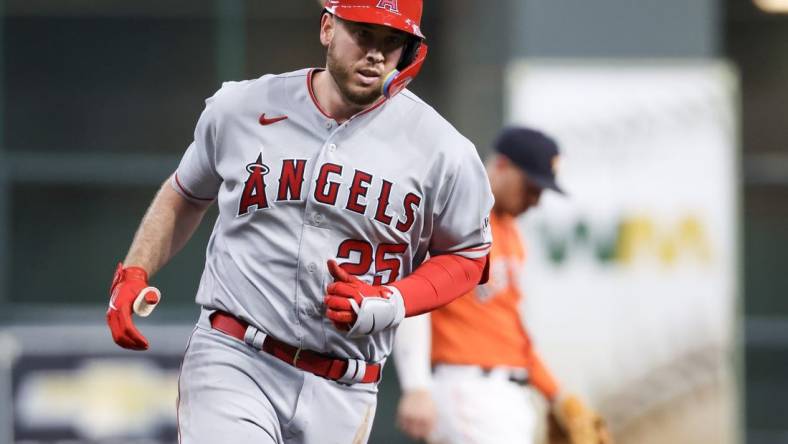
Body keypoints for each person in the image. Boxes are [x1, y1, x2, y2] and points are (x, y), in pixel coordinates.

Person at [104, 1, 494, 443]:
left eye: (392, 42)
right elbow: (185, 193)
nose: (376, 54)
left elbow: (468, 255)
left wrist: (394, 300)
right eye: (363, 34)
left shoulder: (443, 150)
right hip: (236, 357)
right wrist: (135, 270)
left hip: (347, 386)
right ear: (328, 28)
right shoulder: (243, 107)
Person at [394, 127, 610, 444]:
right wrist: (416, 387)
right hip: (466, 387)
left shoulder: (510, 233)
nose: (535, 202)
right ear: (501, 166)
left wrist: (557, 394)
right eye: (531, 188)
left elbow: (509, 326)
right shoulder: (453, 212)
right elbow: (411, 298)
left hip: (506, 396)